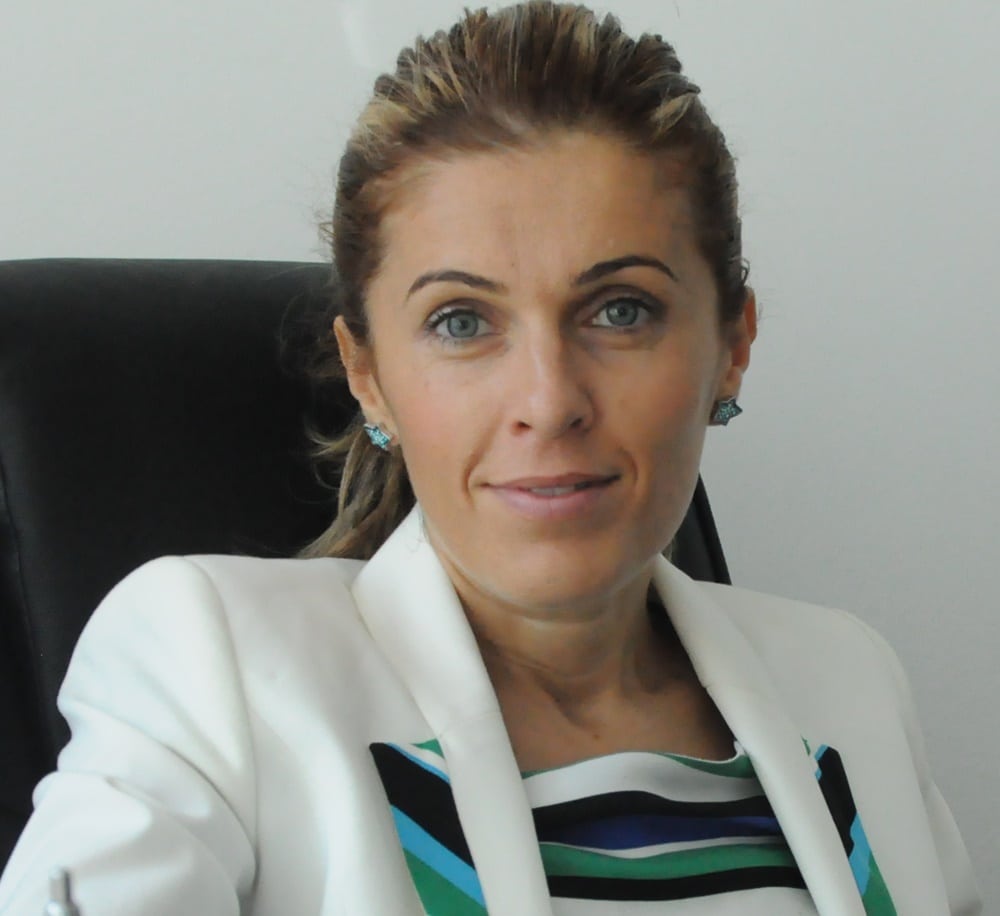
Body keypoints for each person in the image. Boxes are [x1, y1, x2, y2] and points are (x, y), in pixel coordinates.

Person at [0, 2, 981, 914]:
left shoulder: (846, 679)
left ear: (732, 343)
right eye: (462, 322)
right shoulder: (215, 666)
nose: (549, 401)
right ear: (368, 374)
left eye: (620, 310)